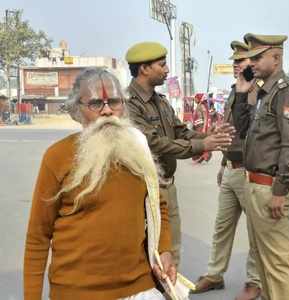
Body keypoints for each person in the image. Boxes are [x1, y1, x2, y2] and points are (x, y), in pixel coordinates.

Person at [24, 68, 176, 300]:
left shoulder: (139, 149)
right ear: (77, 110)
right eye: (96, 104)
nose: (107, 111)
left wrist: (164, 250)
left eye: (114, 102)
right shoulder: (57, 156)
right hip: (77, 293)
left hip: (140, 289)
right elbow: (38, 237)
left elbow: (158, 207)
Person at [125, 41, 233, 265]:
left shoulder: (160, 101)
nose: (166, 70)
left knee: (171, 249)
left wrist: (208, 136)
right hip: (141, 188)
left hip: (166, 186)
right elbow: (153, 144)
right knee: (145, 252)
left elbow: (181, 131)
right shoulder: (129, 105)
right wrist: (202, 146)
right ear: (144, 69)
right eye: (162, 65)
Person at [233, 33, 289, 300]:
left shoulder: (286, 92)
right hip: (253, 183)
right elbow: (241, 130)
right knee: (263, 258)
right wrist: (242, 95)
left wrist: (280, 191)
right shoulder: (263, 92)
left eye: (256, 57)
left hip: (270, 188)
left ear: (275, 58)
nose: (250, 62)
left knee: (277, 261)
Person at [192, 40, 261, 300]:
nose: (235, 66)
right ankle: (214, 274)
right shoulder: (235, 91)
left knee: (255, 230)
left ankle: (255, 280)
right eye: (233, 62)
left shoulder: (258, 93)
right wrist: (223, 163)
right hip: (232, 168)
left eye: (240, 62)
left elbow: (253, 135)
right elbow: (231, 130)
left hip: (249, 170)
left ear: (252, 64)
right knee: (222, 226)